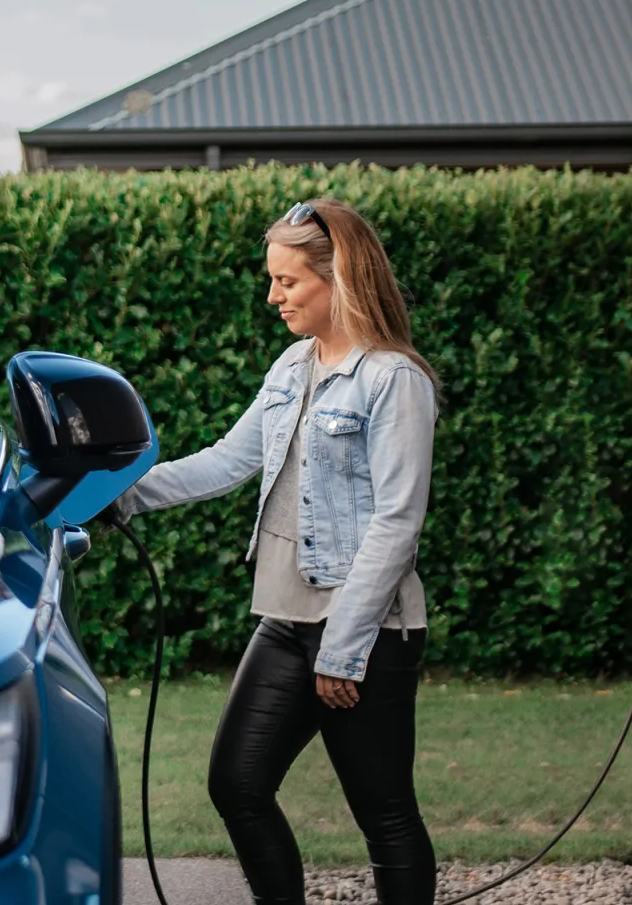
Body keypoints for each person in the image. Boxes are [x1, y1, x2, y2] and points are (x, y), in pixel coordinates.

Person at [109, 198, 439, 905]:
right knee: (238, 783)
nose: (273, 296)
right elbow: (229, 461)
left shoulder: (394, 381)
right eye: (273, 279)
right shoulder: (294, 366)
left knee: (383, 813)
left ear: (339, 277)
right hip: (288, 618)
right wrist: (119, 495)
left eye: (288, 281)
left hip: (367, 631)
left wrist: (343, 649)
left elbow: (397, 521)